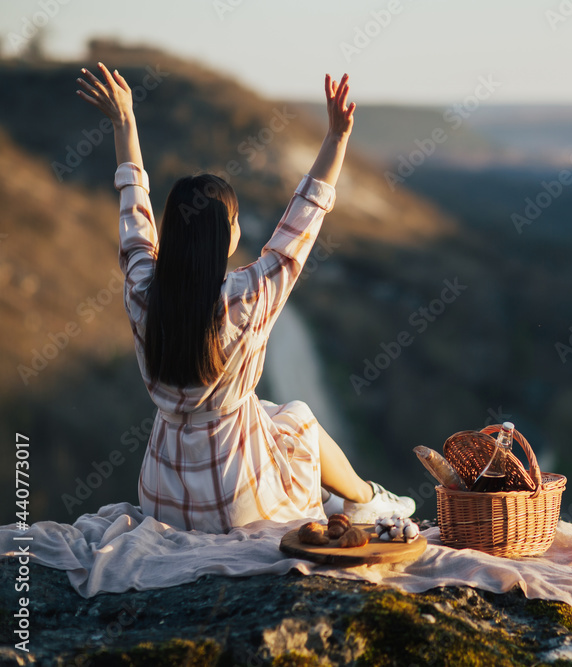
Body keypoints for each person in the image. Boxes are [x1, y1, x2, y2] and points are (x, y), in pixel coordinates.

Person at [75, 63, 414, 533]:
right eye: (234, 222)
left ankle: (364, 498)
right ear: (226, 238)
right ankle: (367, 499)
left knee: (271, 414)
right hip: (240, 503)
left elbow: (134, 215)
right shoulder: (249, 295)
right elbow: (303, 219)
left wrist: (124, 123)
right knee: (298, 419)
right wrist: (336, 138)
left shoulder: (142, 291)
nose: (239, 229)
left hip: (161, 499)